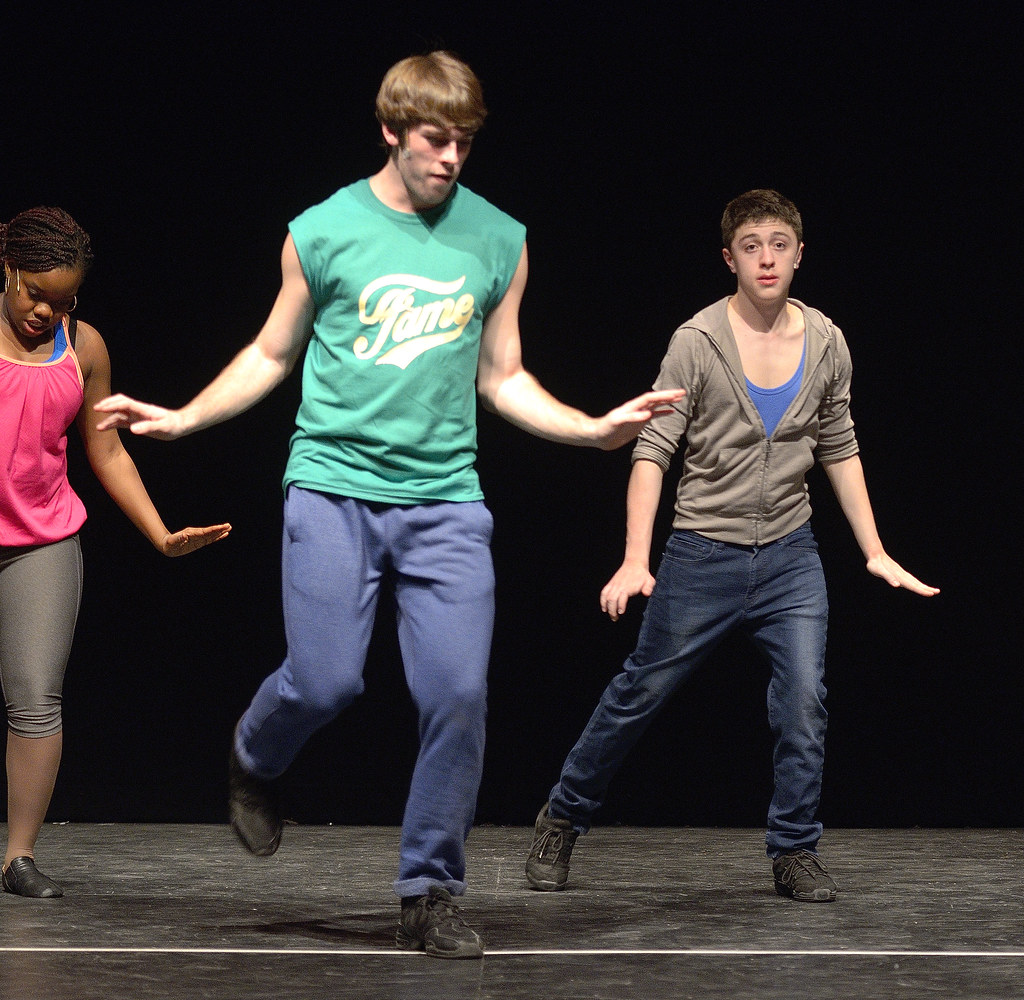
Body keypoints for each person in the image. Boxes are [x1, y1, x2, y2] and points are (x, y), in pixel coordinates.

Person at [94, 51, 682, 958]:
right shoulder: (323, 229)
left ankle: (429, 889)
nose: (451, 158)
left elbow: (505, 375)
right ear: (392, 131)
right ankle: (255, 753)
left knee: (458, 695)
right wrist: (186, 417)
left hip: (446, 500)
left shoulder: (499, 239)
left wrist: (591, 431)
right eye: (435, 140)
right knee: (326, 680)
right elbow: (271, 352)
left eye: (465, 143)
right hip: (332, 486)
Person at [524, 189, 939, 904]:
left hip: (790, 557)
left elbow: (840, 447)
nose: (767, 257)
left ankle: (794, 850)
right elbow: (653, 451)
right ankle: (562, 816)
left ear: (800, 253)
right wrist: (635, 558)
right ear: (730, 259)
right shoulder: (698, 340)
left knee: (805, 701)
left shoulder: (828, 342)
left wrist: (872, 548)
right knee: (639, 693)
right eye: (752, 245)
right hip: (701, 555)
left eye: (780, 242)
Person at [0, 206, 230, 899]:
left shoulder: (85, 347)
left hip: (42, 539)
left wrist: (161, 534)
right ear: (8, 270)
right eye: (34, 292)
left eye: (63, 299)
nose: (47, 309)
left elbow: (105, 448)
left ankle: (17, 857)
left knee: (36, 698)